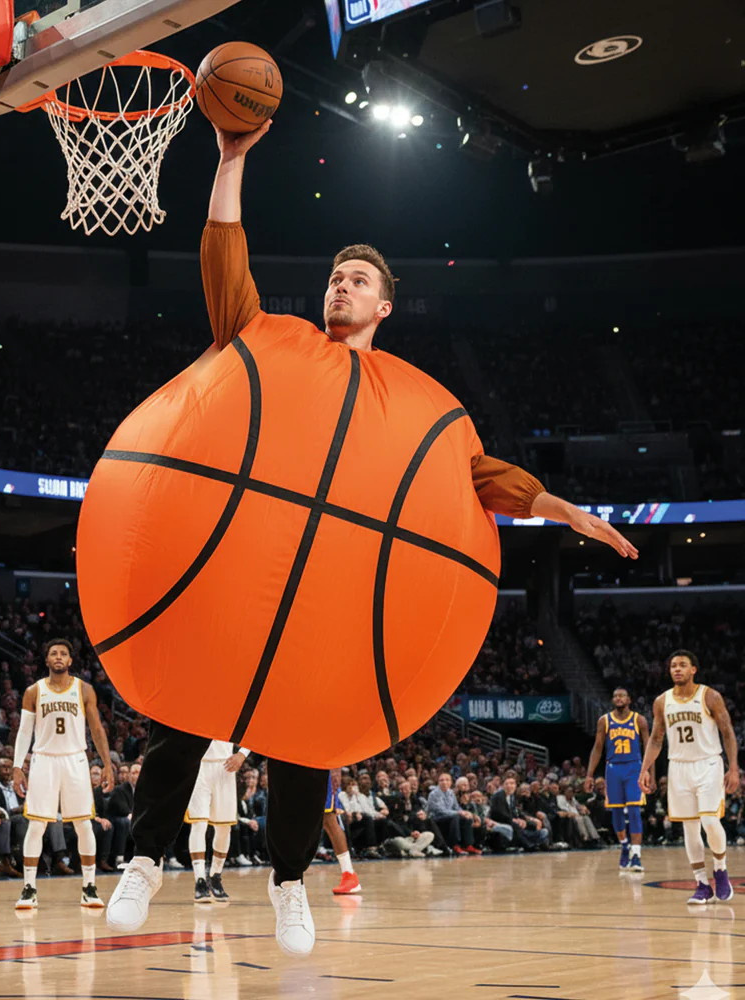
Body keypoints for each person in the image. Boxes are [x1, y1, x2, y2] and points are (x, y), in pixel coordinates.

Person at [103, 119, 639, 956]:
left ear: (384, 304)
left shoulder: (419, 403)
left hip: (331, 588)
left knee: (306, 731)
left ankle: (289, 884)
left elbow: (480, 475)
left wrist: (565, 512)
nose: (340, 287)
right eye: (334, 277)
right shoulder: (271, 340)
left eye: (356, 280)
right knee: (183, 702)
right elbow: (223, 257)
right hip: (245, 567)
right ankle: (143, 859)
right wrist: (231, 160)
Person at [12, 638, 114, 910]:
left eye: (63, 654)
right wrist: (17, 766)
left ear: (70, 661)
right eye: (53, 653)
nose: (58, 657)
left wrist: (107, 764)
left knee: (83, 824)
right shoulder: (34, 691)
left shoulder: (84, 689)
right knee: (36, 824)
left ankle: (89, 887)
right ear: (47, 660)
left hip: (75, 759)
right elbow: (24, 732)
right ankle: (29, 889)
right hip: (43, 760)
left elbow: (96, 729)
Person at [639, 650, 740, 904]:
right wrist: (644, 769)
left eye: (683, 665)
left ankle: (720, 868)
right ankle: (702, 884)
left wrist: (733, 767)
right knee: (690, 828)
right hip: (679, 767)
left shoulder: (709, 696)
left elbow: (727, 732)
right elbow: (657, 738)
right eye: (673, 666)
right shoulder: (662, 701)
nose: (677, 669)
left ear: (694, 669)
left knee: (709, 821)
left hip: (708, 763)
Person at [585, 687, 650, 871]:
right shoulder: (604, 720)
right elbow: (597, 748)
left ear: (629, 699)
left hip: (634, 768)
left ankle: (636, 854)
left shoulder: (639, 720)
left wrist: (649, 773)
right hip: (613, 769)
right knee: (617, 812)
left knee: (634, 809)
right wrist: (589, 774)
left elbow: (649, 747)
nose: (618, 698)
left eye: (621, 695)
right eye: (615, 696)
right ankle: (624, 845)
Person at [186, 739, 249, 903]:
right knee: (199, 824)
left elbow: (254, 729)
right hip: (199, 765)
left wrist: (242, 754)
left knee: (224, 828)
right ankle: (199, 880)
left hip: (225, 765)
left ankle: (215, 875)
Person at [427, 773, 481, 857]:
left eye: (447, 780)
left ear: (451, 782)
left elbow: (456, 807)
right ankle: (455, 845)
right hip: (436, 818)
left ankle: (467, 845)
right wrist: (458, 813)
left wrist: (465, 813)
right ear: (438, 782)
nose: (444, 782)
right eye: (442, 780)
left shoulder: (451, 793)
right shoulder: (434, 794)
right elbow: (440, 810)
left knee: (467, 818)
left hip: (449, 816)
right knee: (455, 817)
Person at [324, 771, 360, 895]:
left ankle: (349, 874)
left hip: (321, 768)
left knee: (328, 818)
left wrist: (335, 769)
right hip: (299, 764)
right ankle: (289, 874)